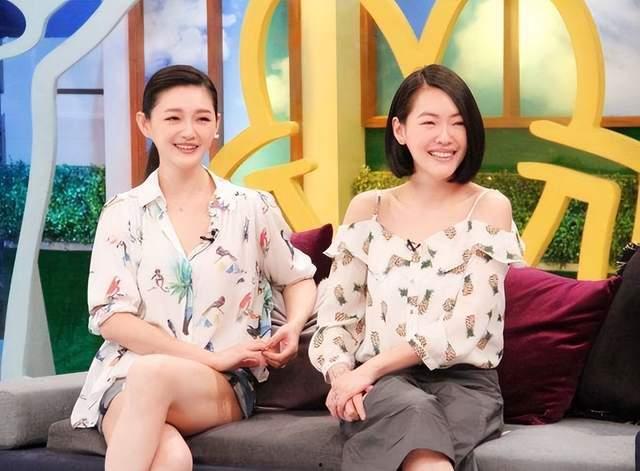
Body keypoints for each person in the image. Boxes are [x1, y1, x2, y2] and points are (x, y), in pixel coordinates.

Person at [71, 64, 317, 471]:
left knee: (152, 375)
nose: (189, 131)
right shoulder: (123, 213)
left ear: (216, 125)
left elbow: (299, 277)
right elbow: (112, 319)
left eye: (202, 118)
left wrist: (292, 327)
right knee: (170, 457)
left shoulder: (251, 207)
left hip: (221, 384)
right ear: (145, 124)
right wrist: (207, 357)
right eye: (173, 118)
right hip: (125, 379)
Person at [309, 64, 524, 471]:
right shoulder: (368, 210)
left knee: (423, 434)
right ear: (400, 130)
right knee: (413, 416)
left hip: (465, 385)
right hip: (384, 387)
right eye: (429, 122)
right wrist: (342, 377)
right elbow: (337, 318)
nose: (445, 137)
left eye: (458, 123)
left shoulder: (489, 208)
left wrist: (367, 370)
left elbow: (467, 325)